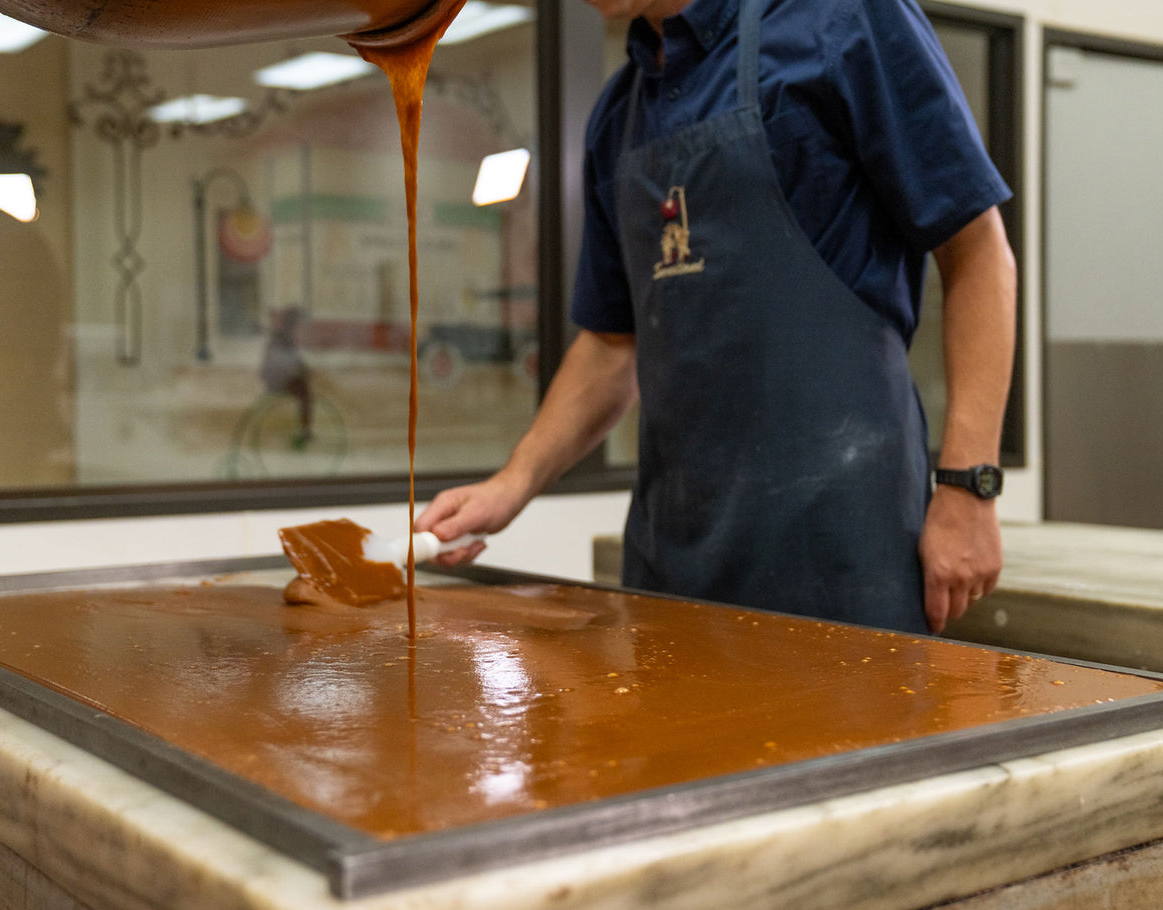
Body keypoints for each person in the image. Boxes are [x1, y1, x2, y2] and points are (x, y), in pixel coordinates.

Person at [416, 0, 1016, 635]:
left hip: (840, 554)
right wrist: (513, 483)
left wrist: (968, 489)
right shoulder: (617, 120)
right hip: (673, 568)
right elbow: (612, 345)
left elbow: (977, 253)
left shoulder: (843, 21)